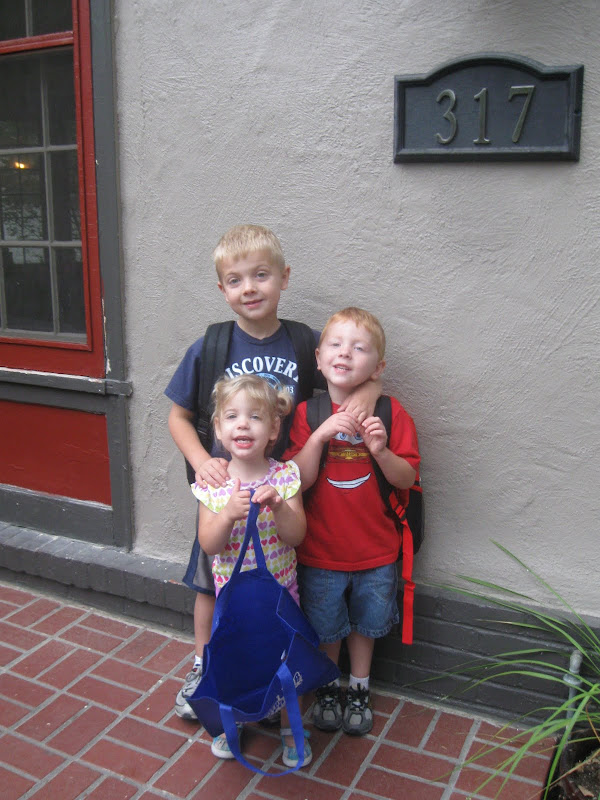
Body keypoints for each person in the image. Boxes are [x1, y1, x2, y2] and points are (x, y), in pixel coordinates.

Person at [164, 225, 380, 720]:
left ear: (284, 278)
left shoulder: (304, 342)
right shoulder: (212, 345)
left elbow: (352, 369)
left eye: (261, 275)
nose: (250, 288)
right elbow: (177, 416)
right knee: (209, 582)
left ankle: (276, 669)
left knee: (280, 582)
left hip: (284, 485)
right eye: (236, 280)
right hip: (225, 486)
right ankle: (204, 665)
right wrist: (202, 462)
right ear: (222, 290)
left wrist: (370, 390)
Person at [283, 307, 420, 736]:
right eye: (336, 345)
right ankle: (328, 686)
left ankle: (359, 687)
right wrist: (320, 435)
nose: (345, 353)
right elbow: (295, 481)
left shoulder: (391, 413)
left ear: (378, 367)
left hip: (376, 552)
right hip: (320, 552)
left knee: (365, 625)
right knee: (326, 626)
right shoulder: (307, 414)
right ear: (319, 358)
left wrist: (381, 451)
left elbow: (407, 478)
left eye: (359, 348)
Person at [192, 374, 310, 766]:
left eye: (255, 417)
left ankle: (291, 729)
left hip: (280, 598)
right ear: (219, 429)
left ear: (273, 429)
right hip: (233, 602)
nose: (243, 424)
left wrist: (280, 507)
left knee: (286, 665)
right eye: (232, 417)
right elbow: (209, 544)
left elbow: (296, 536)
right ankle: (234, 723)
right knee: (235, 664)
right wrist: (227, 515)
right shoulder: (213, 484)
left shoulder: (285, 477)